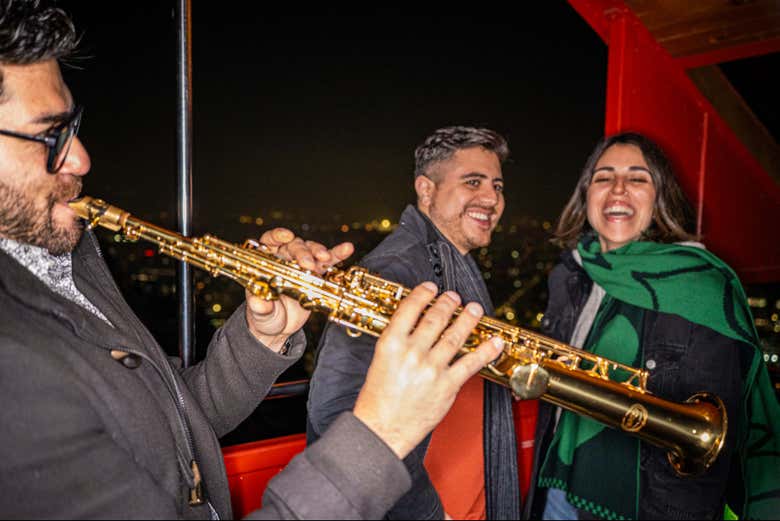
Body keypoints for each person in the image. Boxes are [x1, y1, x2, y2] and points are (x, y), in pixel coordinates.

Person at [0, 1, 506, 518]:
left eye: (72, 126)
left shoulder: (69, 258)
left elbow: (173, 421)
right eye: (49, 134)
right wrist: (379, 436)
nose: (80, 157)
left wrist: (261, 336)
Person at [523, 131, 780, 520]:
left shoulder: (699, 287)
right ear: (586, 194)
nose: (618, 190)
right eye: (604, 177)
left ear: (660, 196)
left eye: (638, 179)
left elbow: (708, 452)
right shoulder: (573, 275)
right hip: (557, 484)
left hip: (640, 507)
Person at [307, 125, 520, 520]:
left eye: (498, 185)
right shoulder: (396, 271)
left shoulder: (453, 265)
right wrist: (426, 515)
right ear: (426, 190)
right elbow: (336, 410)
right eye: (472, 182)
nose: (491, 198)